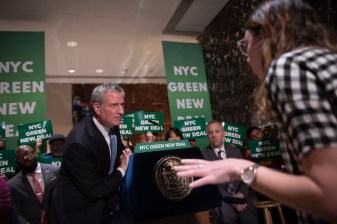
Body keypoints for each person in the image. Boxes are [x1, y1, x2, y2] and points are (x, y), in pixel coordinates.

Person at [175, 0, 337, 223]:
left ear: (266, 38)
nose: (246, 56)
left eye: (245, 44)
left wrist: (241, 168)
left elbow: (329, 196)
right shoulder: (323, 63)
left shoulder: (287, 68)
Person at [49, 83, 132, 224]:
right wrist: (122, 169)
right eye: (114, 105)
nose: (121, 111)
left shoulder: (112, 124)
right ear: (97, 108)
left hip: (107, 205)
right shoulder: (79, 143)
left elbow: (116, 151)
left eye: (122, 105)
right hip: (80, 213)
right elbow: (95, 189)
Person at [202, 120, 258, 224]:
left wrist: (241, 193)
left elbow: (245, 176)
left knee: (250, 219)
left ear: (224, 133)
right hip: (221, 199)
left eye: (217, 131)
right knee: (228, 218)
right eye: (210, 132)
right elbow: (211, 184)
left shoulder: (235, 151)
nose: (213, 135)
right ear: (207, 135)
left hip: (240, 195)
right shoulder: (203, 155)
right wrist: (232, 200)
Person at [8, 145, 59, 224]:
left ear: (35, 153)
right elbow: (17, 213)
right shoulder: (12, 185)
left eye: (28, 153)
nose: (25, 158)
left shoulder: (55, 170)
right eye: (20, 157)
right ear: (16, 161)